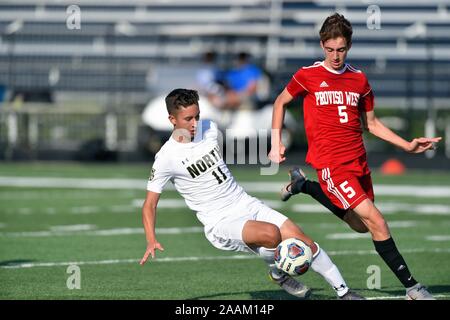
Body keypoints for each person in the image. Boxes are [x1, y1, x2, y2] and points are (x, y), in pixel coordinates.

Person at [268, 13, 442, 300]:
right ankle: (413, 287)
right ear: (322, 45)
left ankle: (304, 186)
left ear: (348, 46)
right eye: (329, 49)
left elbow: (371, 124)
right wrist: (276, 143)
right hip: (331, 164)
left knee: (361, 226)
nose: (335, 56)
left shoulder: (359, 79)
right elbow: (280, 102)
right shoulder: (307, 75)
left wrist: (407, 146)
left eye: (341, 49)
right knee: (377, 221)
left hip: (358, 162)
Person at [140, 88, 364, 300]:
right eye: (188, 119)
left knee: (303, 241)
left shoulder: (209, 128)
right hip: (220, 221)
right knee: (271, 235)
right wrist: (151, 239)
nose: (195, 123)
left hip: (244, 201)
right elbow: (149, 204)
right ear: (172, 120)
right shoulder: (166, 158)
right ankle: (278, 270)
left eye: (197, 116)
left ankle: (343, 292)